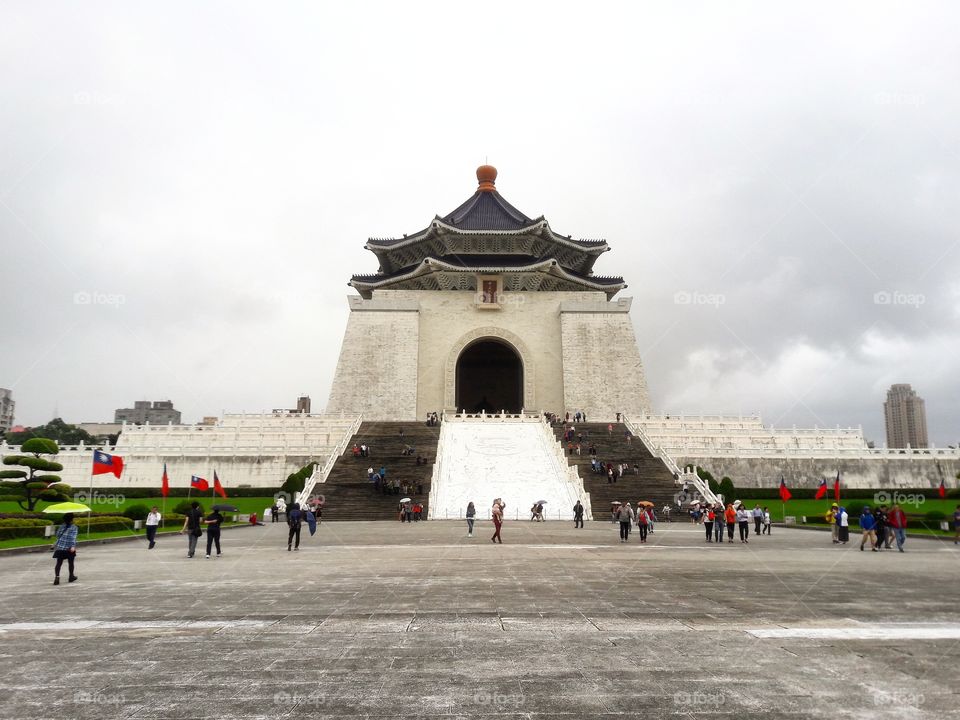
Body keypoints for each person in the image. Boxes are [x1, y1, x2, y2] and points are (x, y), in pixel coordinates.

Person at [52, 513, 78, 585]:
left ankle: (57, 577)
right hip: (69, 548)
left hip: (60, 547)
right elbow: (73, 537)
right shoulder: (74, 527)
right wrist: (73, 546)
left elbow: (57, 535)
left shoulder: (61, 526)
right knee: (71, 563)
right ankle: (71, 576)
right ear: (72, 519)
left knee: (59, 563)